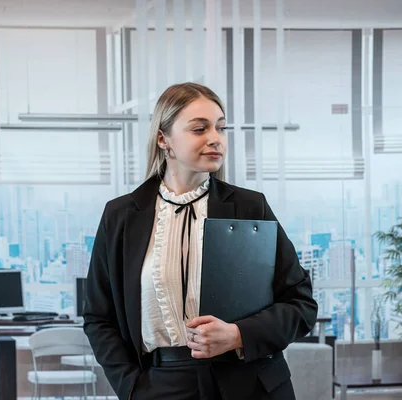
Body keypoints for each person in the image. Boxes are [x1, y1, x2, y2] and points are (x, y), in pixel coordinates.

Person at [83, 82, 317, 400]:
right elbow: (99, 316)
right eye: (199, 128)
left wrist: (237, 335)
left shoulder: (251, 207)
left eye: (220, 128)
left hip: (249, 385)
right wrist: (131, 387)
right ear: (164, 139)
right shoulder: (121, 216)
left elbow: (301, 304)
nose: (215, 139)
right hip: (159, 386)